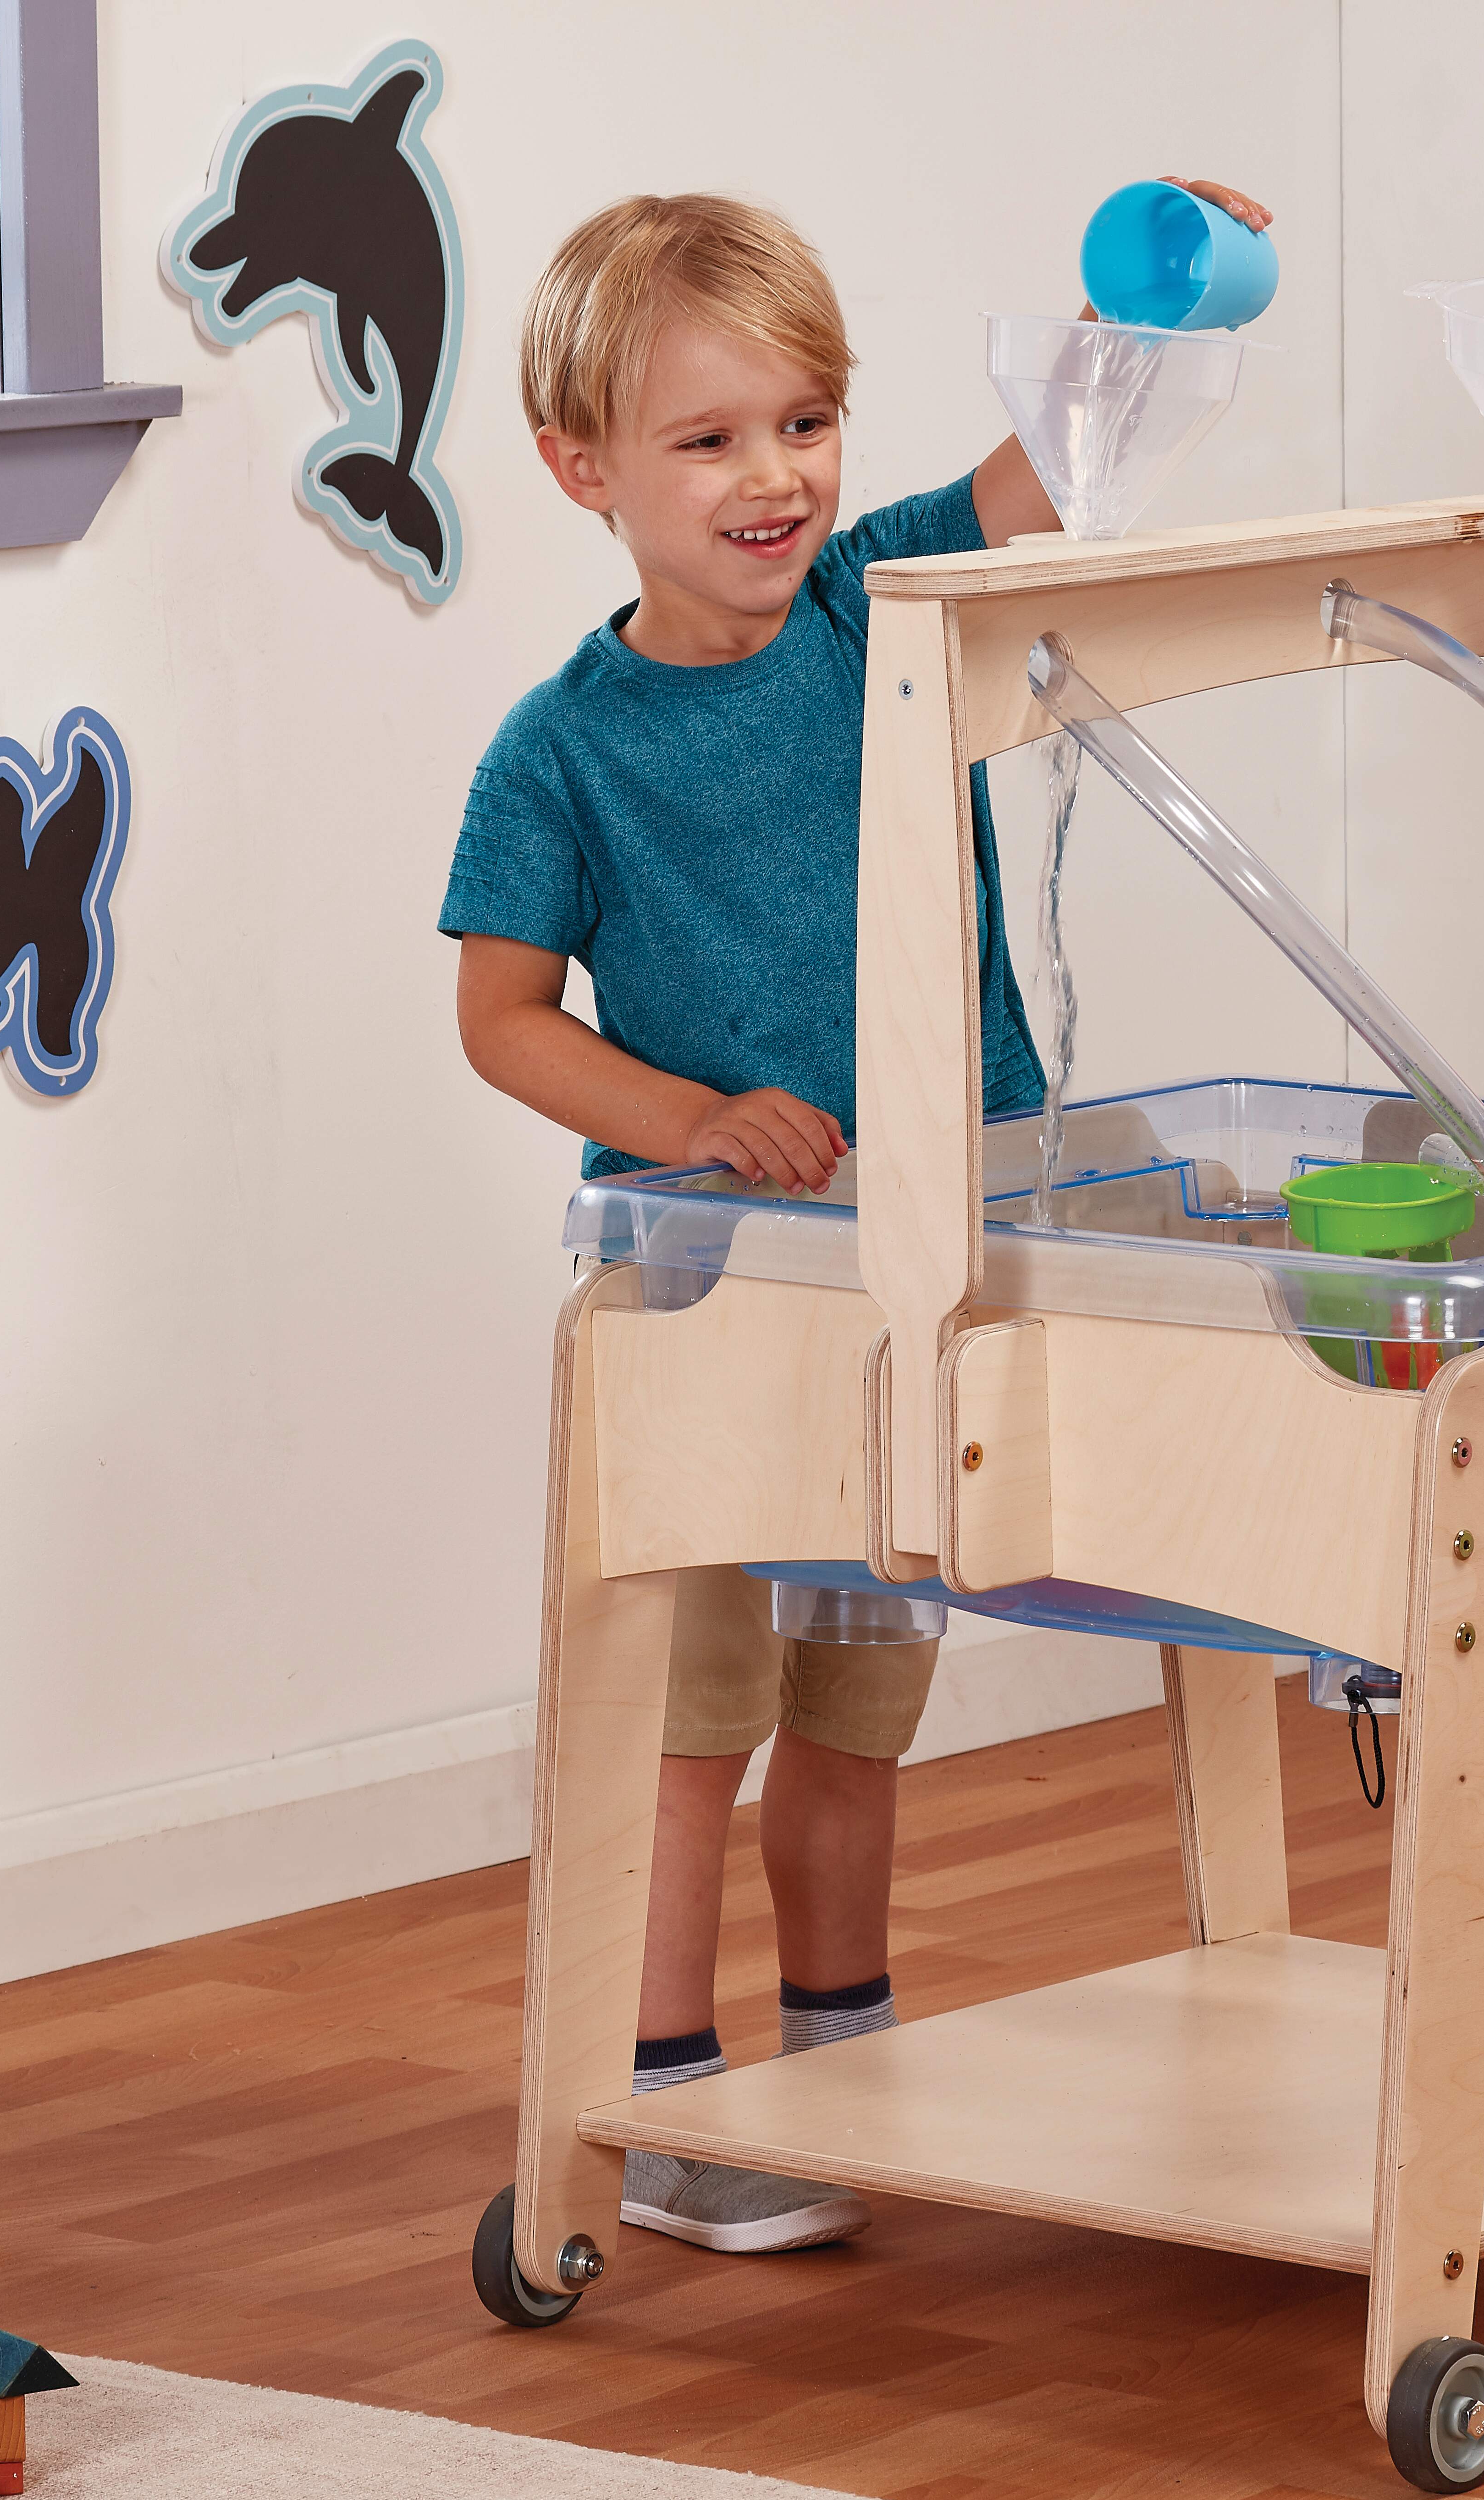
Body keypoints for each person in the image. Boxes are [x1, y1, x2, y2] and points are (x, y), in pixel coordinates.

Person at [445, 183, 1270, 2253]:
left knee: (856, 1697)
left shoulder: (882, 600)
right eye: (711, 439)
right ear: (584, 469)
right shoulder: (565, 752)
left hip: (925, 1269)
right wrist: (695, 1119)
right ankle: (664, 2101)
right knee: (689, 1719)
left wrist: (1137, 293)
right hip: (720, 1298)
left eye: (804, 424)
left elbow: (1054, 468)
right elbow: (502, 1018)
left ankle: (839, 2061)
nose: (775, 479)